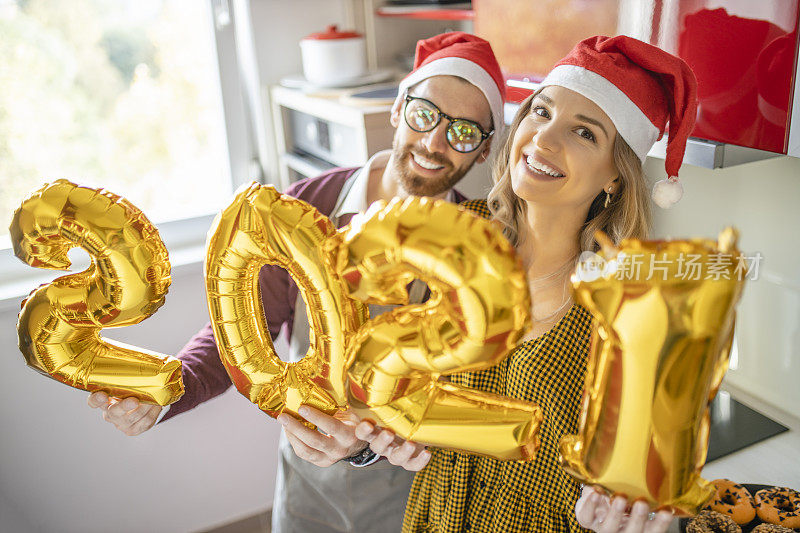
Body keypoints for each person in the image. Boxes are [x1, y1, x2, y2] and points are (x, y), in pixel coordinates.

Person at [87, 31, 505, 533]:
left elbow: (463, 396)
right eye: (425, 115)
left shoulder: (477, 257)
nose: (435, 143)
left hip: (410, 493)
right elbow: (244, 330)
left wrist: (373, 443)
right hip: (308, 484)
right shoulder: (305, 209)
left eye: (463, 132)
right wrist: (169, 390)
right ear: (398, 110)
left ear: (482, 152)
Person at [354, 34, 698, 533]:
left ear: (614, 178)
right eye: (541, 112)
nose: (543, 139)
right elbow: (406, 393)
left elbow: (646, 472)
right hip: (434, 516)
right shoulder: (455, 241)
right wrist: (387, 438)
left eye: (584, 134)